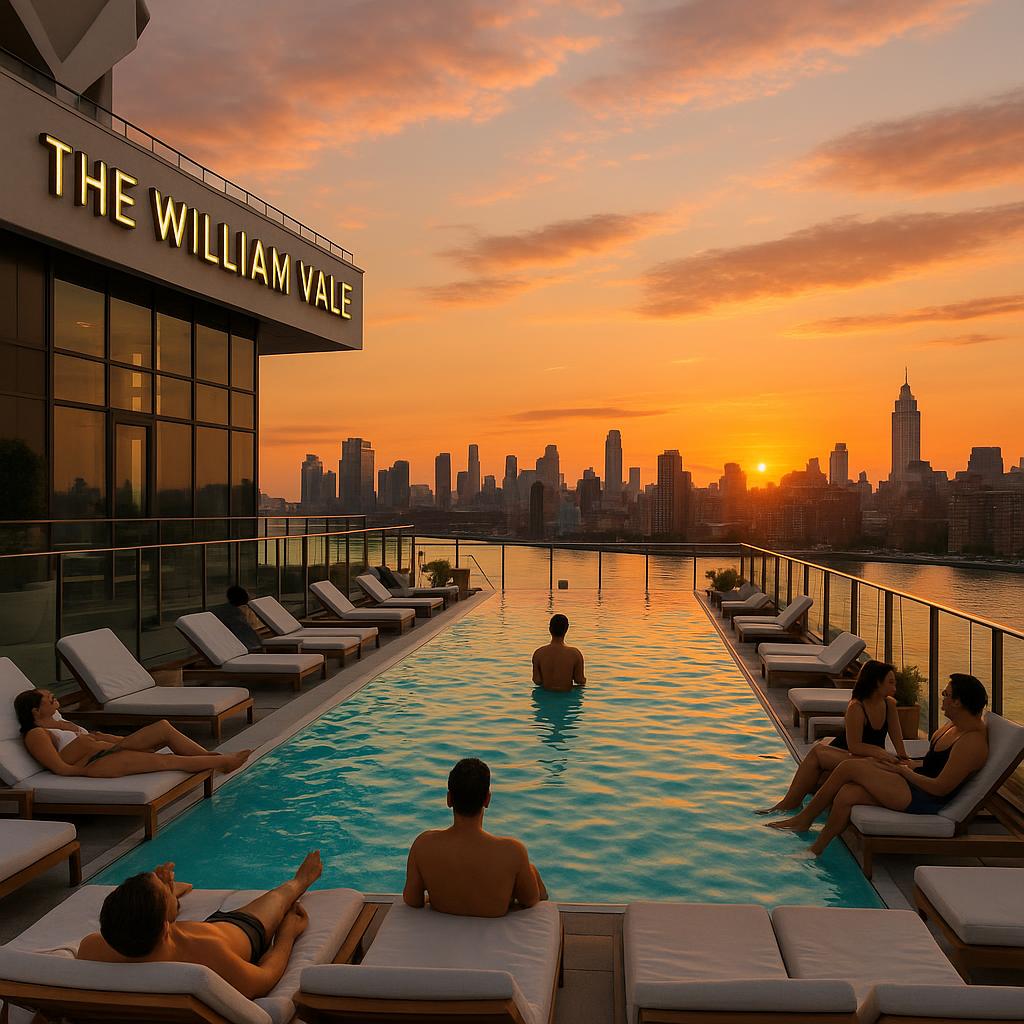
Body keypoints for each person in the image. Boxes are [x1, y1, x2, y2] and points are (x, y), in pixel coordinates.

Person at [768, 674, 989, 856]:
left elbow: (940, 788)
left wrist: (904, 771)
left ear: (958, 702)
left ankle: (804, 819)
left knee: (849, 767)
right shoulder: (953, 726)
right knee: (847, 794)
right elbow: (933, 765)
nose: (942, 698)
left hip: (924, 798)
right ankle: (816, 850)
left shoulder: (971, 743)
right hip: (914, 781)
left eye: (946, 694)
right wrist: (905, 764)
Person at [77, 851, 321, 999]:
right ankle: (302, 879)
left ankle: (170, 899)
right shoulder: (207, 955)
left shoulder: (93, 948)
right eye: (164, 891)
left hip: (172, 935)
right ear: (165, 928)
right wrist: (287, 934)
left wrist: (162, 899)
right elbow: (264, 979)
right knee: (283, 894)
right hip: (240, 930)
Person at [757, 660, 908, 814]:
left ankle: (789, 803)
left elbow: (897, 736)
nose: (894, 687)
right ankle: (789, 804)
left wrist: (903, 757)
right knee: (818, 768)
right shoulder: (857, 707)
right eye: (890, 682)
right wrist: (879, 752)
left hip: (865, 758)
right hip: (849, 752)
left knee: (817, 755)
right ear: (876, 683)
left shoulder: (889, 704)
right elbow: (854, 746)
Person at [403, 758, 548, 917]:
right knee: (531, 870)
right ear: (487, 799)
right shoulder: (512, 852)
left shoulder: (423, 845)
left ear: (449, 799)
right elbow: (531, 900)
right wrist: (531, 871)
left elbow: (412, 900)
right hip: (493, 924)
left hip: (443, 914)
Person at [14, 689, 251, 778]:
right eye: (48, 698)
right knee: (168, 760)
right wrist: (85, 769)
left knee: (163, 727)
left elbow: (92, 737)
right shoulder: (37, 734)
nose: (53, 697)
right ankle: (222, 761)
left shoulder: (59, 721)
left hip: (109, 750)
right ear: (35, 711)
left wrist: (120, 741)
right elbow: (60, 767)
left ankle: (213, 758)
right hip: (97, 763)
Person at [532, 614, 585, 692]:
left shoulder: (538, 653)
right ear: (566, 629)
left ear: (549, 629)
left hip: (545, 696)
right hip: (567, 696)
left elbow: (537, 680)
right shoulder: (575, 654)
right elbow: (579, 680)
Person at [214, 584, 264, 653]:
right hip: (248, 648)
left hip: (246, 645)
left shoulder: (226, 611)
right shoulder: (234, 614)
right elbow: (247, 636)